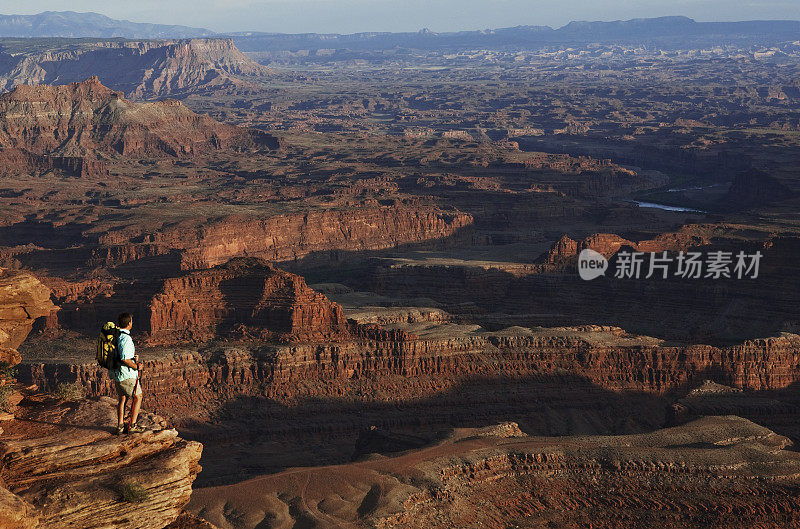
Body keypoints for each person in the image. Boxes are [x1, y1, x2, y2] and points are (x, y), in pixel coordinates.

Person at [111, 312, 145, 435]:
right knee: (138, 397)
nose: (132, 323)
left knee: (123, 398)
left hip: (117, 374)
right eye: (131, 321)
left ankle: (120, 426)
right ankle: (132, 426)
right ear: (129, 323)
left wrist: (132, 358)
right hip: (127, 374)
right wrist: (137, 366)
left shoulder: (116, 336)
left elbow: (121, 355)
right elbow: (124, 359)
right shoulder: (125, 338)